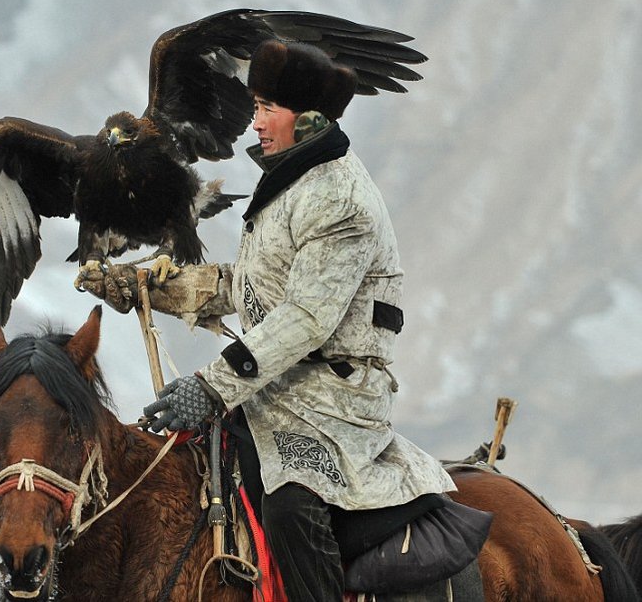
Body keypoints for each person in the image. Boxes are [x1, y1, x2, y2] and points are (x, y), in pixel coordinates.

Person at [86, 39, 456, 601]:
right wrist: (144, 289)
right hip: (278, 391)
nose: (254, 122)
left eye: (266, 109)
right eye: (255, 106)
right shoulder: (288, 182)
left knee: (290, 503)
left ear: (306, 119)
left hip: (336, 399)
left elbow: (306, 317)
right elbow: (248, 285)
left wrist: (211, 385)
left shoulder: (339, 199)